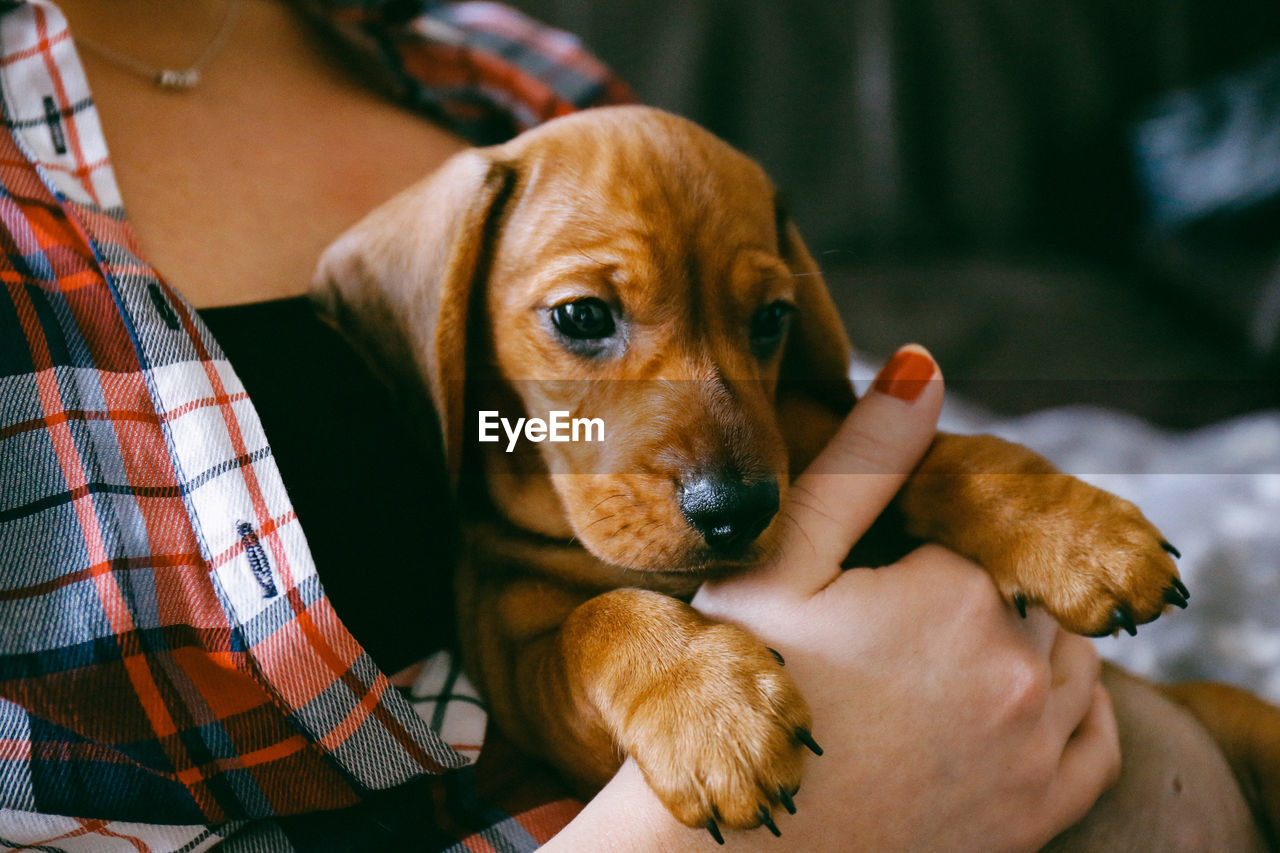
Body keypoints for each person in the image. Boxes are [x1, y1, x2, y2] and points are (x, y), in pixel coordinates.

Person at [0, 1, 1118, 850]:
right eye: (585, 319)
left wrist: (980, 485)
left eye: (763, 317)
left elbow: (832, 421)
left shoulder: (497, 68)